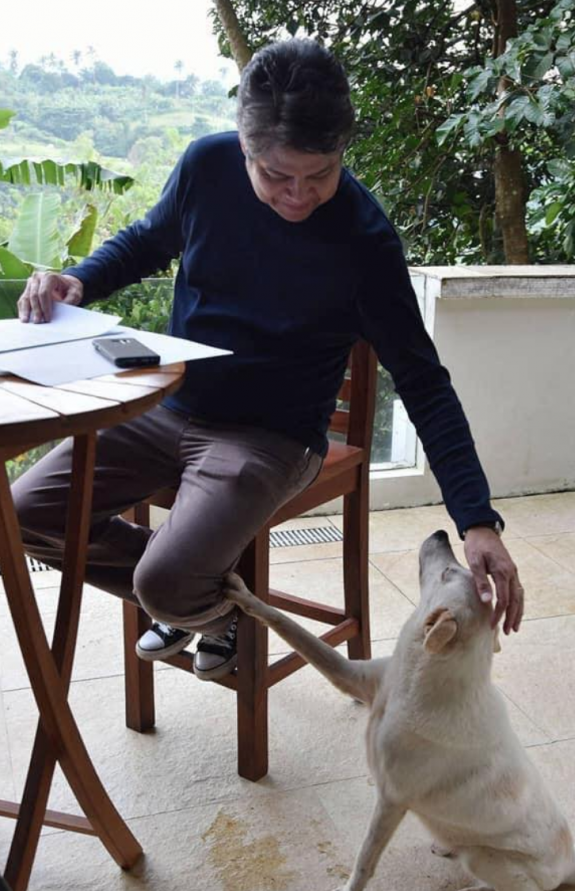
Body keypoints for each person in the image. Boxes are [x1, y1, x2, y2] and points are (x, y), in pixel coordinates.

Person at [13, 38, 524, 683]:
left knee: (166, 580)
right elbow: (148, 240)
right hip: (165, 406)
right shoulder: (206, 167)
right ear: (242, 145)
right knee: (22, 514)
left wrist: (477, 519)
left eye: (320, 175)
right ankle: (211, 605)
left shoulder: (364, 239)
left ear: (342, 150)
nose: (298, 197)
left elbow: (423, 382)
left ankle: (193, 602)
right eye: (276, 176)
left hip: (273, 437)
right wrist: (79, 283)